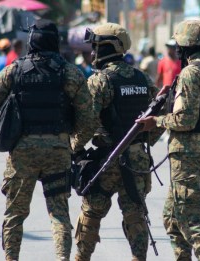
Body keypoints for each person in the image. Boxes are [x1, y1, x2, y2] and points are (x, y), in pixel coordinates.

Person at [0, 19, 96, 261]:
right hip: (57, 150)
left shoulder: (14, 70)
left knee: (15, 214)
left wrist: (8, 129)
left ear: (31, 41)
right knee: (59, 214)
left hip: (22, 152)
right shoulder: (70, 73)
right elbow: (88, 120)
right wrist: (74, 145)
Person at [136, 20, 200, 261]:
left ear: (187, 44)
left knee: (189, 214)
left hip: (187, 149)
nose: (176, 49)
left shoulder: (191, 73)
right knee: (171, 216)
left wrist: (157, 121)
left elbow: (185, 120)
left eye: (178, 44)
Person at [73, 22, 161, 261]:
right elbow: (157, 121)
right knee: (135, 215)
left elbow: (86, 123)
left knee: (90, 215)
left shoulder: (99, 81)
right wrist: (142, 142)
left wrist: (74, 148)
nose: (92, 53)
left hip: (107, 161)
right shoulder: (143, 79)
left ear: (109, 48)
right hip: (137, 159)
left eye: (96, 47)